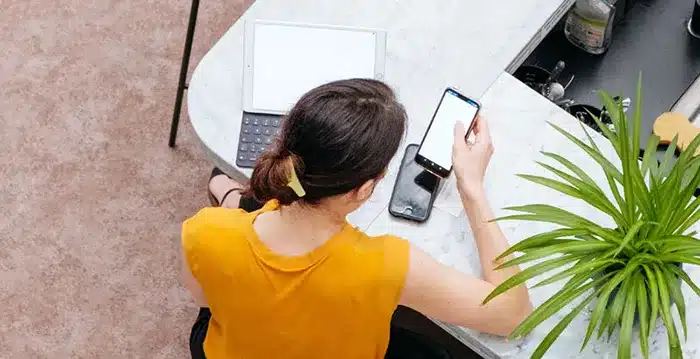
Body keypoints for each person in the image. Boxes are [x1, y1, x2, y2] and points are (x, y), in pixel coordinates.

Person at [181, 79, 532, 359]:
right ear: (363, 189)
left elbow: (205, 302)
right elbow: (513, 315)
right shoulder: (386, 265)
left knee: (244, 212)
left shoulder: (202, 231)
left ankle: (229, 193)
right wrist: (471, 187)